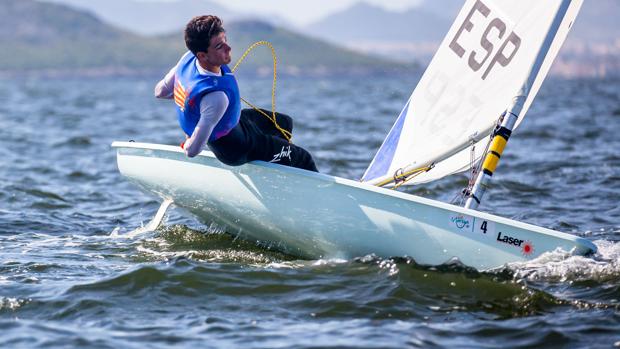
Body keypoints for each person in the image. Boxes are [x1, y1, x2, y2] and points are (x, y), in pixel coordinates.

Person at [154, 15, 318, 172]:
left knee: (284, 124)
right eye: (219, 46)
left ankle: (276, 165)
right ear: (202, 55)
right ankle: (317, 192)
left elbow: (160, 91)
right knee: (303, 158)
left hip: (238, 124)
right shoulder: (216, 98)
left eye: (225, 40)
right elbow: (192, 151)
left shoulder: (187, 59)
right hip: (237, 148)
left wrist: (194, 105)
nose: (228, 47)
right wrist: (188, 140)